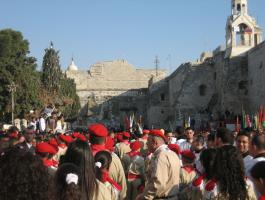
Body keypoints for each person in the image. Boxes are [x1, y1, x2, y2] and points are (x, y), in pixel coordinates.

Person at [136, 129, 181, 200]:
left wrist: (144, 197)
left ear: (154, 142)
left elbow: (158, 183)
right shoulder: (172, 154)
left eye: (148, 141)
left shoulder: (160, 156)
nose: (146, 144)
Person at [88, 123, 127, 200]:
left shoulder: (83, 156)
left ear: (89, 139)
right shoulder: (114, 158)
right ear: (106, 139)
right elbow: (122, 185)